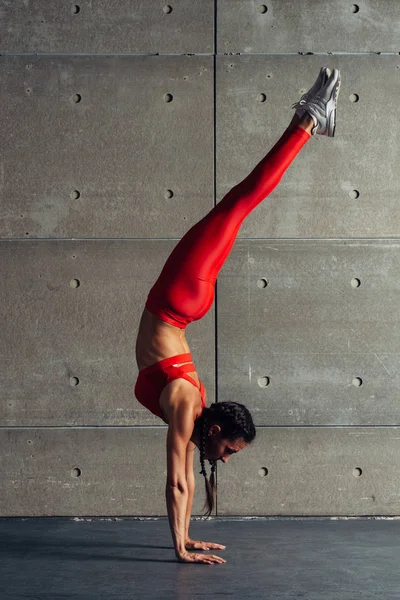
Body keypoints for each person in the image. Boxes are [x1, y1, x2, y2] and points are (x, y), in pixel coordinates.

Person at [135, 67, 341, 565]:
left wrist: (183, 544)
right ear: (214, 430)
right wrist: (180, 546)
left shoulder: (189, 408)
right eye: (229, 450)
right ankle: (309, 119)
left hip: (181, 302)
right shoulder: (187, 405)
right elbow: (178, 479)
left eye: (227, 454)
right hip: (179, 300)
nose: (224, 458)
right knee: (241, 202)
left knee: (241, 203)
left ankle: (310, 119)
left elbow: (179, 477)